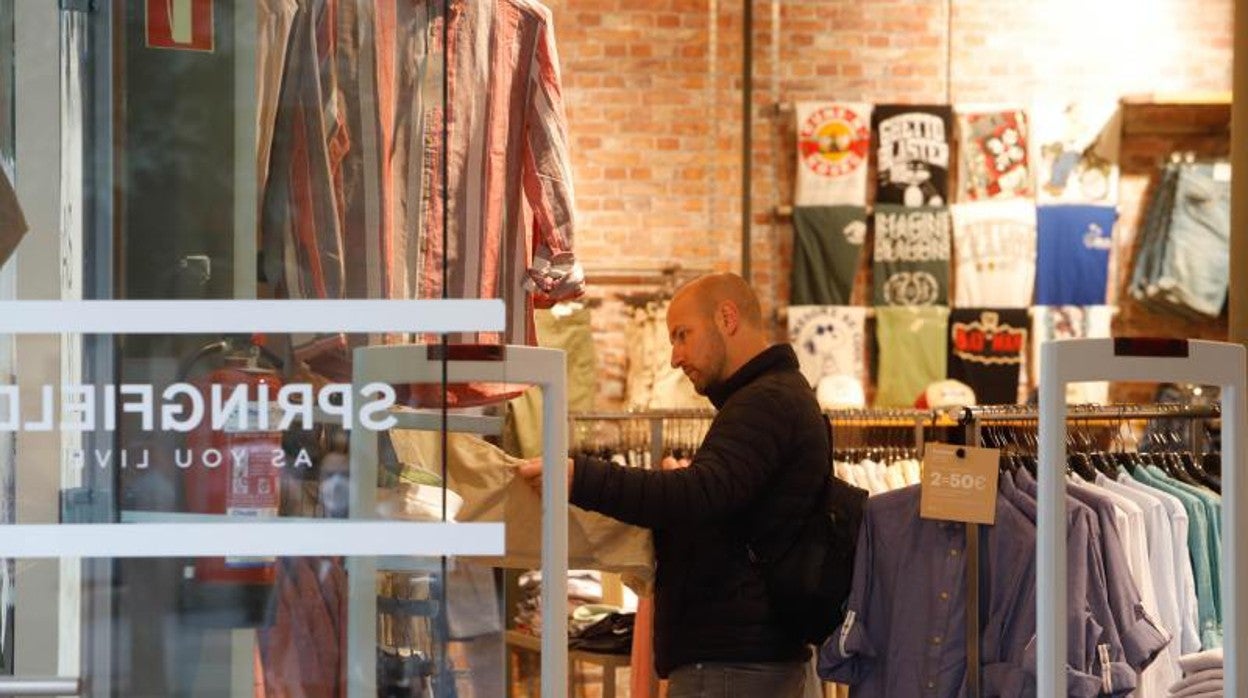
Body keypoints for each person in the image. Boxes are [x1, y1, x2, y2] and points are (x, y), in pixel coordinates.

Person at [518, 272, 829, 697]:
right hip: (745, 660)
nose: (674, 358)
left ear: (727, 318)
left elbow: (698, 494)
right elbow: (718, 498)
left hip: (733, 668)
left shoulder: (767, 401)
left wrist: (581, 476)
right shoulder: (772, 398)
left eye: (683, 335)